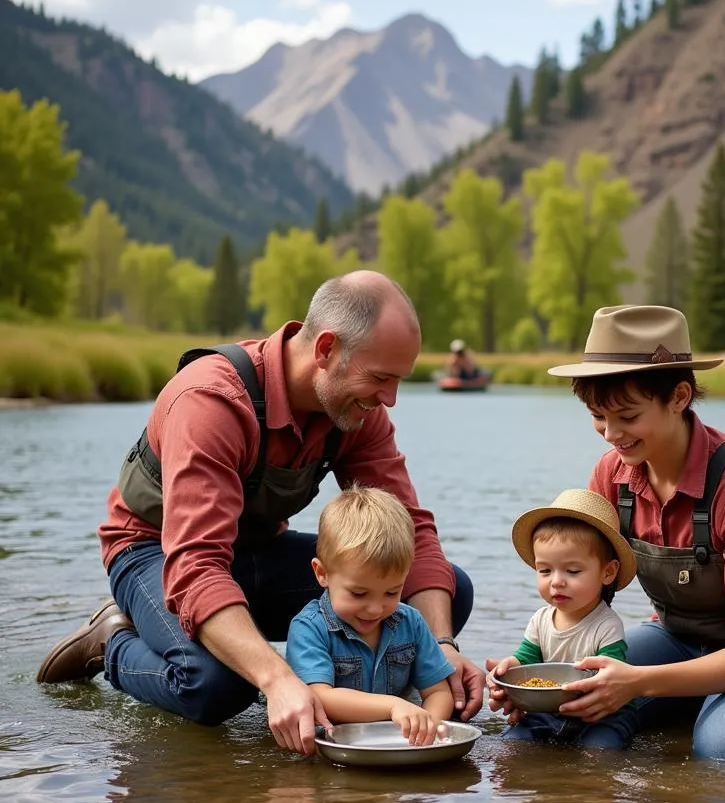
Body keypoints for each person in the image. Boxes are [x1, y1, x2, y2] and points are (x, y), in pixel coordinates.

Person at [36, 270, 485, 755]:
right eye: (380, 378)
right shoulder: (210, 402)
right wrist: (275, 680)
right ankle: (114, 645)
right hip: (156, 554)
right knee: (217, 687)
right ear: (326, 350)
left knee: (446, 592)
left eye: (398, 380)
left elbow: (410, 528)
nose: (389, 399)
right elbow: (196, 567)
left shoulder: (355, 411)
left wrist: (443, 647)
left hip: (255, 553)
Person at [543, 304, 725, 761]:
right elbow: (585, 602)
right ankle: (694, 701)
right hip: (677, 637)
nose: (610, 435)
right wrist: (534, 674)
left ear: (679, 396)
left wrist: (639, 682)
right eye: (598, 416)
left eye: (627, 415)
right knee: (564, 706)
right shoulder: (611, 475)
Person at [286, 486, 455, 746]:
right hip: (336, 742)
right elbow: (320, 696)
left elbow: (438, 691)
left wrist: (426, 727)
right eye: (359, 594)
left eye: (391, 592)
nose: (376, 608)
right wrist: (392, 706)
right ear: (322, 573)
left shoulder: (411, 622)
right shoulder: (310, 628)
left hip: (392, 741)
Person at [485, 489, 639, 750]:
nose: (556, 581)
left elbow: (611, 679)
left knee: (600, 750)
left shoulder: (606, 625)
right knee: (513, 744)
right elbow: (527, 661)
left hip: (599, 712)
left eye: (573, 570)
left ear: (608, 572)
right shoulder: (541, 619)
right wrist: (512, 666)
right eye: (545, 570)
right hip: (548, 709)